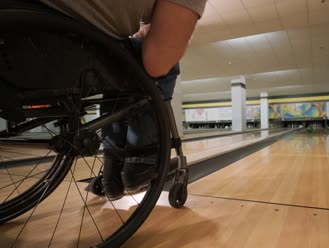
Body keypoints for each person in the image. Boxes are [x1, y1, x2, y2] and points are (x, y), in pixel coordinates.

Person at [39, 0, 207, 200]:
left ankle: (113, 170)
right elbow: (158, 62)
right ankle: (141, 161)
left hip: (31, 40)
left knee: (118, 73)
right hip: (77, 43)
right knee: (163, 63)